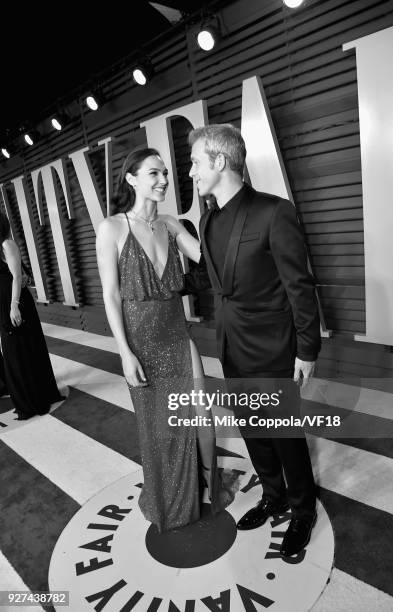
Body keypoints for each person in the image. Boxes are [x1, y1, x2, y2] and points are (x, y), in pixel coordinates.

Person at [188, 124, 321, 557]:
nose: (190, 172)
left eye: (195, 163)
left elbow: (299, 285)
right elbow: (214, 280)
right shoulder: (207, 220)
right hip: (230, 344)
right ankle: (273, 493)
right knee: (253, 429)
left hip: (273, 346)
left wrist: (307, 349)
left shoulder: (274, 212)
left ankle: (303, 509)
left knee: (284, 433)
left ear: (220, 162)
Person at [96, 148, 237, 533]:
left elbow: (209, 267)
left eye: (165, 175)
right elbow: (110, 295)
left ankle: (208, 484)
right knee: (161, 427)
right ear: (131, 178)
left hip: (178, 335)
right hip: (141, 342)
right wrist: (124, 352)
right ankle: (170, 496)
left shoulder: (171, 224)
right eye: (153, 173)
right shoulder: (112, 228)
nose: (162, 181)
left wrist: (179, 229)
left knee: (201, 414)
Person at [0, 211, 63, 420]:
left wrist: (14, 306)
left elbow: (17, 276)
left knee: (24, 350)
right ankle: (29, 397)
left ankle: (37, 397)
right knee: (14, 352)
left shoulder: (7, 244)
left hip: (15, 302)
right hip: (4, 304)